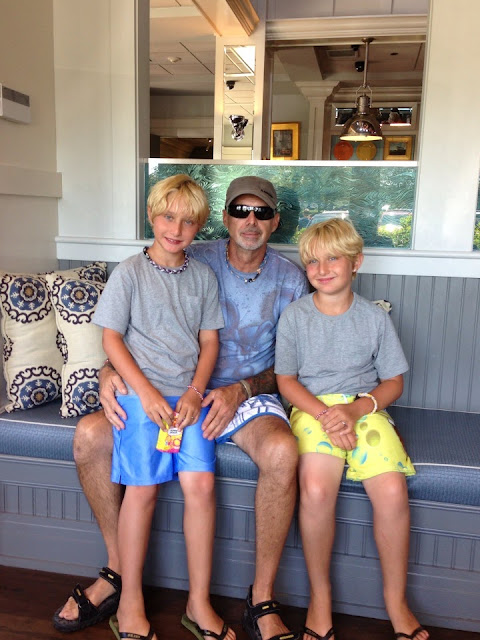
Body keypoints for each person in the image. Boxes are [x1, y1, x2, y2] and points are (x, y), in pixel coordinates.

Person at [53, 175, 309, 640]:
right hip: (158, 396)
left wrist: (226, 389)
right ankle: (121, 581)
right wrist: (111, 375)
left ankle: (247, 598)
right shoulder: (177, 260)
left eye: (262, 212)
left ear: (276, 221)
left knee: (243, 467)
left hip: (223, 398)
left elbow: (284, 363)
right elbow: (118, 335)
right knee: (109, 455)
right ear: (225, 218)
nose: (250, 221)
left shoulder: (284, 279)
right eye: (241, 211)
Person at [90, 174, 230, 640]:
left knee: (201, 485)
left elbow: (209, 343)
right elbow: (112, 339)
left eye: (188, 222)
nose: (176, 229)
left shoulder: (203, 277)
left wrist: (195, 392)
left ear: (199, 228)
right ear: (152, 216)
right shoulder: (129, 272)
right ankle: (130, 601)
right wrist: (146, 393)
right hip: (140, 399)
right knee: (143, 489)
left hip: (187, 402)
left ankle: (198, 602)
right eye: (168, 217)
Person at [274, 219, 429, 640]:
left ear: (356, 262)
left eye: (333, 259)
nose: (322, 269)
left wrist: (356, 410)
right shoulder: (295, 316)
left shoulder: (374, 318)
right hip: (313, 410)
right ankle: (320, 598)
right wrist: (327, 416)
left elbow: (393, 381)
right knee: (317, 489)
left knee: (393, 490)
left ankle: (396, 601)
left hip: (364, 408)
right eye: (312, 262)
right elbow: (286, 381)